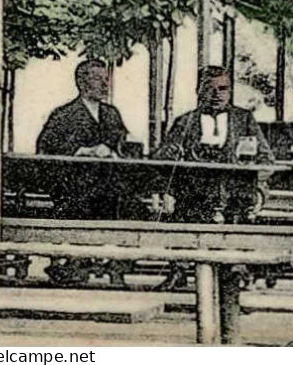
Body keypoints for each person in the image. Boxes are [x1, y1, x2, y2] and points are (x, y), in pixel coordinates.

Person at [35, 59, 131, 285]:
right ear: (81, 82)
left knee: (132, 208)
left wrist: (115, 152)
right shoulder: (64, 115)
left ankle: (116, 264)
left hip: (108, 188)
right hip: (74, 188)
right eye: (98, 79)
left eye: (106, 79)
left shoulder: (111, 114)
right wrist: (82, 151)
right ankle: (74, 264)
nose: (105, 85)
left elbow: (123, 144)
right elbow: (45, 149)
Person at [155, 66, 275, 223]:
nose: (216, 95)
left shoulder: (244, 119)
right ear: (198, 91)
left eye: (222, 89)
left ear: (230, 91)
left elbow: (267, 160)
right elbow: (161, 159)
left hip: (234, 201)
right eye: (209, 89)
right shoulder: (185, 121)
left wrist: (252, 183)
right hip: (193, 201)